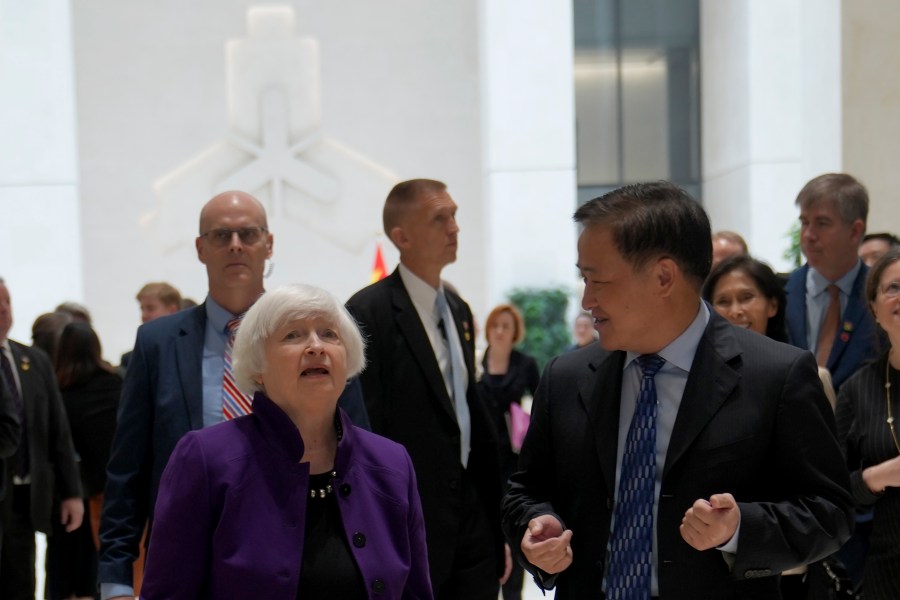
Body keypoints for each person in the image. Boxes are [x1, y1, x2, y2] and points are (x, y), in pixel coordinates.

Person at [501, 182, 855, 599]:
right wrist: (537, 526)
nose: (587, 300)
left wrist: (740, 528)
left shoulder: (775, 374)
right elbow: (525, 490)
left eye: (597, 281)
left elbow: (830, 513)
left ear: (663, 277)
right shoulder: (567, 376)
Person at [98, 191, 370, 600]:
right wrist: (116, 578)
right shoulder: (157, 343)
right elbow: (128, 468)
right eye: (222, 234)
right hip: (187, 555)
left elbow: (356, 448)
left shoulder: (320, 341)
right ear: (200, 248)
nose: (236, 245)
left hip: (300, 549)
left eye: (248, 233)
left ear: (269, 243)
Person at [140, 284, 431, 598]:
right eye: (293, 335)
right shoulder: (205, 458)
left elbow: (416, 593)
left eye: (329, 334)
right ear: (258, 367)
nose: (316, 347)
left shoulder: (391, 462)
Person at [347, 179, 507, 598]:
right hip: (407, 515)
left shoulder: (457, 309)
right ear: (401, 237)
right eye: (440, 218)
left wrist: (497, 523)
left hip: (472, 515)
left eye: (454, 215)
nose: (455, 227)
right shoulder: (367, 313)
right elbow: (364, 427)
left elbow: (466, 409)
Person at [0, 278, 83, 599]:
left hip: (26, 494)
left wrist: (71, 493)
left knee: (21, 582)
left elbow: (57, 431)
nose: (4, 309)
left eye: (6, 301)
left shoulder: (33, 360)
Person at [834, 248, 900, 600]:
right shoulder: (858, 390)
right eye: (893, 287)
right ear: (874, 309)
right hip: (888, 571)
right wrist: (879, 476)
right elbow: (829, 493)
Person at [46, 322, 122, 600]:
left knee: (66, 574)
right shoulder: (117, 384)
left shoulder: (61, 395)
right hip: (115, 490)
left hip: (72, 494)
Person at [785, 173, 880, 391]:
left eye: (822, 223)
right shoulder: (780, 293)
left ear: (855, 231)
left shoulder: (881, 295)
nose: (808, 235)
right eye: (804, 222)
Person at [478, 303, 540, 600]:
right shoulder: (477, 363)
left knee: (513, 524)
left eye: (506, 326)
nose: (500, 331)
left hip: (514, 458)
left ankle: (514, 591)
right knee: (486, 526)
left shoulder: (525, 364)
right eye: (495, 325)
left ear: (515, 332)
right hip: (481, 457)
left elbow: (541, 406)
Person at [702, 254, 788, 342]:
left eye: (746, 298)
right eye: (723, 302)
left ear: (772, 306)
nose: (735, 312)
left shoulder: (793, 355)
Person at [119, 282, 182, 372]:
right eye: (142, 309)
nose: (144, 316)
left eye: (150, 308)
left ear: (172, 310)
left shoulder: (190, 351)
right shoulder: (129, 360)